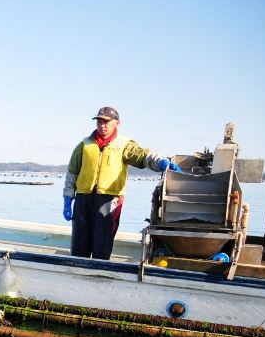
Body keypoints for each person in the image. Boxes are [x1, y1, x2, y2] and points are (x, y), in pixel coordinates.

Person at [62, 106, 181, 260]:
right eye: (99, 121)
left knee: (102, 243)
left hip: (109, 200)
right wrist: (67, 199)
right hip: (83, 199)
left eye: (106, 121)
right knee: (79, 242)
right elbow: (72, 173)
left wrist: (162, 162)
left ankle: (99, 275)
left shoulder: (124, 144)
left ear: (117, 123)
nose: (101, 125)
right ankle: (76, 273)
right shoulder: (84, 145)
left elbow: (143, 156)